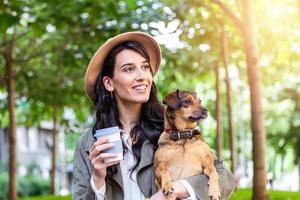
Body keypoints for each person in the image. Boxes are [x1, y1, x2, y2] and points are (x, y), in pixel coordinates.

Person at [72, 31, 236, 200]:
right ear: (109, 83)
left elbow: (226, 180)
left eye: (145, 67)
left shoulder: (171, 130)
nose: (141, 76)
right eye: (129, 69)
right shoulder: (88, 144)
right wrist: (98, 178)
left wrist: (178, 189)